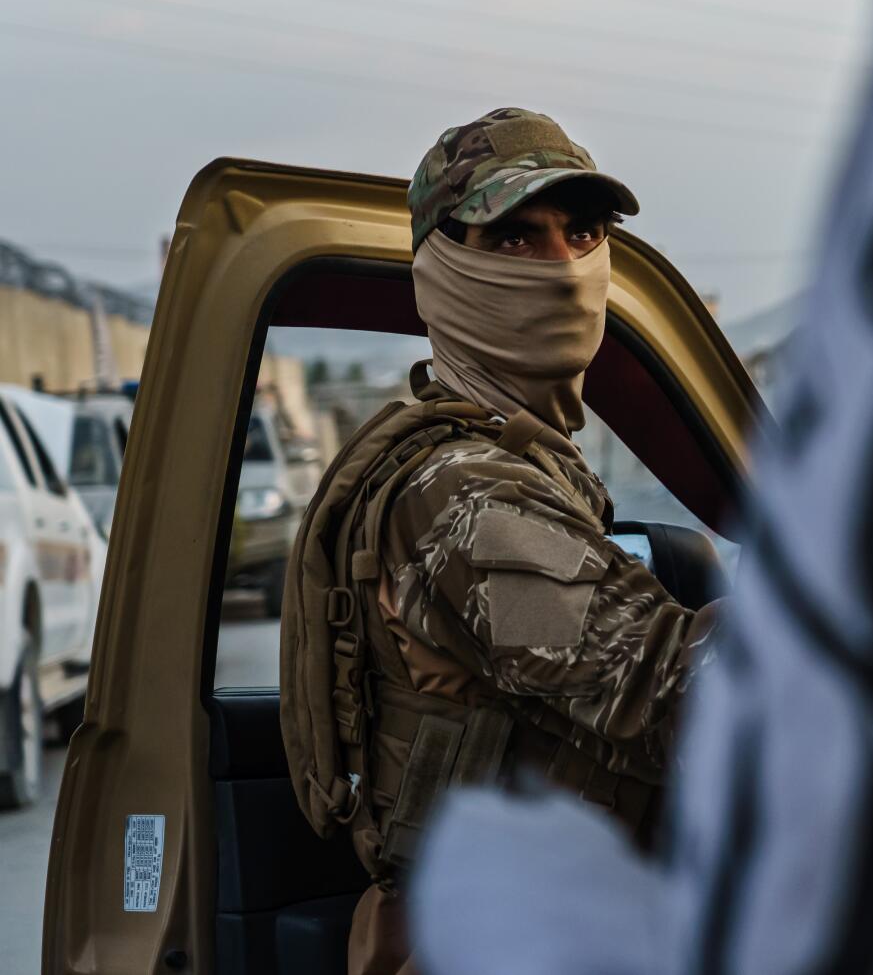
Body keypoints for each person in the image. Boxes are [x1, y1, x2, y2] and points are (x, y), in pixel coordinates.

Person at [278, 107, 717, 975]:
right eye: (515, 237)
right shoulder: (464, 495)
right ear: (445, 266)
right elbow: (681, 695)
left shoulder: (516, 467)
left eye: (581, 232)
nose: (560, 266)